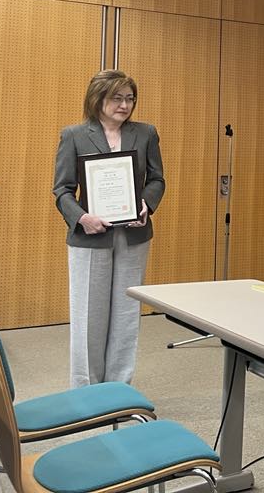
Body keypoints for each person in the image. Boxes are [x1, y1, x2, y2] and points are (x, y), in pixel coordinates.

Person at [53, 70, 164, 388]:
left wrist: (146, 204)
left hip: (133, 235)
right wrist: (82, 217)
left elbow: (157, 179)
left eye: (130, 98)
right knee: (89, 314)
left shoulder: (145, 133)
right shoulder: (74, 135)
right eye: (117, 98)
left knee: (126, 314)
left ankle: (118, 388)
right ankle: (87, 389)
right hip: (90, 238)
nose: (125, 105)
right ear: (97, 98)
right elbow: (62, 190)